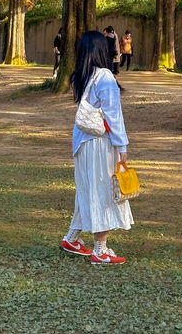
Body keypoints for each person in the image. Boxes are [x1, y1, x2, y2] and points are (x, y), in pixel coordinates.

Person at [60, 30, 133, 265]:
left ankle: (72, 238)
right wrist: (122, 144)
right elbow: (114, 115)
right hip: (100, 143)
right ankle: (100, 249)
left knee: (87, 189)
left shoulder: (81, 75)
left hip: (81, 143)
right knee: (102, 191)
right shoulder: (104, 76)